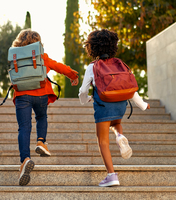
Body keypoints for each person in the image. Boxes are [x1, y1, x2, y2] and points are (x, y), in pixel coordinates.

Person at [78, 29, 150, 187]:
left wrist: (85, 99)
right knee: (116, 124)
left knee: (102, 141)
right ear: (113, 46)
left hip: (104, 105)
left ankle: (111, 176)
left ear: (92, 48)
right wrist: (143, 105)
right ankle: (119, 136)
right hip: (120, 104)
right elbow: (130, 88)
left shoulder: (93, 66)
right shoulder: (120, 63)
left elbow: (83, 90)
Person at [11, 29, 79, 186]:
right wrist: (72, 75)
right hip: (41, 94)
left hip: (22, 95)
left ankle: (25, 160)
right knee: (41, 117)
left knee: (24, 128)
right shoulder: (42, 57)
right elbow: (57, 66)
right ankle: (41, 142)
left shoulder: (15, 56)